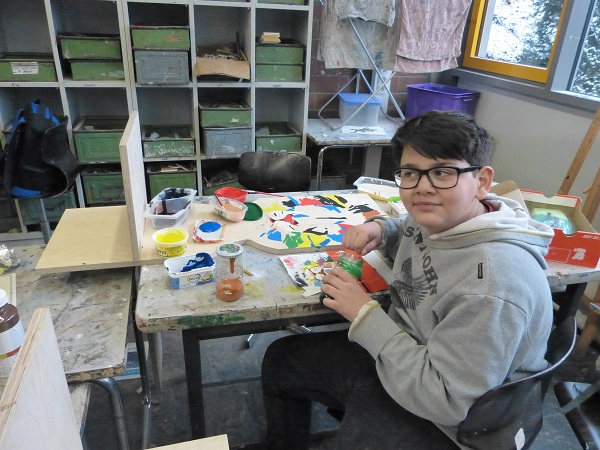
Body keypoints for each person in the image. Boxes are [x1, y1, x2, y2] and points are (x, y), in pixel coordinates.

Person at [261, 110, 555, 449]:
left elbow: (447, 402)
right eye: (411, 173)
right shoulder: (445, 216)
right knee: (282, 360)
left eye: (443, 172)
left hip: (451, 422)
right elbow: (410, 228)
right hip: (406, 352)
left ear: (482, 182)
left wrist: (364, 315)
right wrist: (381, 229)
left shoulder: (491, 286)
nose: (423, 188)